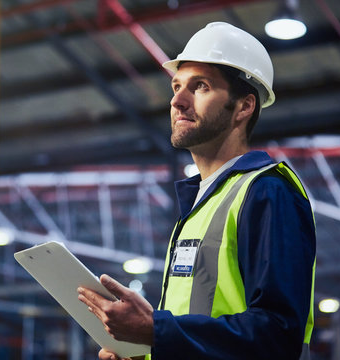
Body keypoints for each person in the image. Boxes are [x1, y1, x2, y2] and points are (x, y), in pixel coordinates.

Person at [78, 22, 315, 360]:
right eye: (176, 86)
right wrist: (144, 352)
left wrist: (155, 330)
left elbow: (278, 334)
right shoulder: (201, 204)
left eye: (200, 87)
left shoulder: (268, 192)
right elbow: (195, 329)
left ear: (244, 107)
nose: (177, 100)